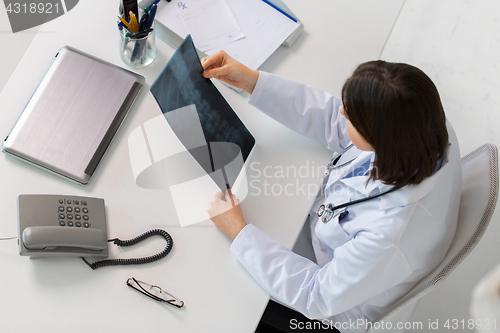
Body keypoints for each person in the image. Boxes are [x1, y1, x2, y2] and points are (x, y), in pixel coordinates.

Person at [204, 51, 461, 333]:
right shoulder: (422, 127)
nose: (341, 112)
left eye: (352, 117)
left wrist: (239, 231)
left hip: (332, 307)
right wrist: (252, 81)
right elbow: (333, 119)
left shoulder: (388, 234)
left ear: (380, 139)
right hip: (328, 242)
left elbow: (316, 296)